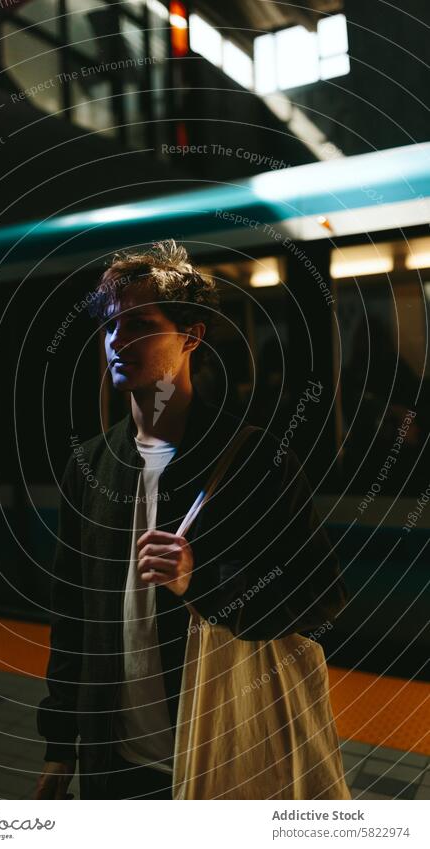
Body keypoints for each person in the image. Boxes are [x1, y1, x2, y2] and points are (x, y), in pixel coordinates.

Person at [34, 240, 348, 800]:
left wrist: (200, 581)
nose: (117, 342)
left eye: (139, 325)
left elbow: (320, 596)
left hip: (218, 755)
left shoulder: (253, 458)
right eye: (110, 327)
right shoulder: (91, 465)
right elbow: (73, 614)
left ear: (192, 336)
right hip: (113, 763)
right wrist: (61, 749)